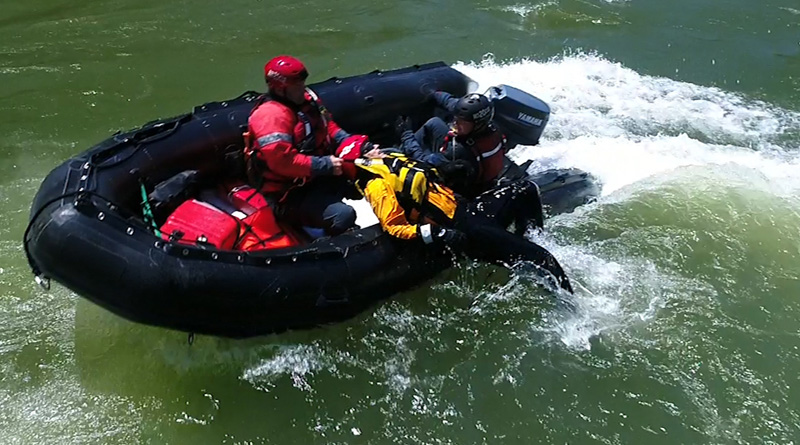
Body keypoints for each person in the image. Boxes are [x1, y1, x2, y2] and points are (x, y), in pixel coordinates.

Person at [335, 135, 573, 293]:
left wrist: (446, 171)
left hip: (468, 211)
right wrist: (437, 234)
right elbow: (394, 227)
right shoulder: (377, 186)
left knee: (526, 189)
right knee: (544, 259)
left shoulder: (391, 163)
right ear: (361, 160)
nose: (376, 147)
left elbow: (425, 178)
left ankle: (528, 240)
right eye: (369, 149)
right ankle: (572, 311)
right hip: (464, 231)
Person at [243, 55, 357, 236]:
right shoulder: (270, 116)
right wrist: (326, 165)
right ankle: (325, 245)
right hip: (289, 195)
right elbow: (283, 162)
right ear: (280, 88)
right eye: (296, 85)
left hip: (318, 177)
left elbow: (329, 127)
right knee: (343, 216)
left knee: (376, 175)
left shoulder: (306, 100)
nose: (302, 88)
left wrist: (355, 145)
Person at [394, 91, 508, 198]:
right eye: (456, 118)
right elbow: (452, 103)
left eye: (462, 122)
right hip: (481, 175)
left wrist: (406, 134)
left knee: (405, 150)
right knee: (435, 123)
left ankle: (400, 151)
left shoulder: (457, 151)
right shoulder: (490, 127)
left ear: (476, 124)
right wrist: (434, 93)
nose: (455, 123)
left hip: (458, 182)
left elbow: (423, 161)